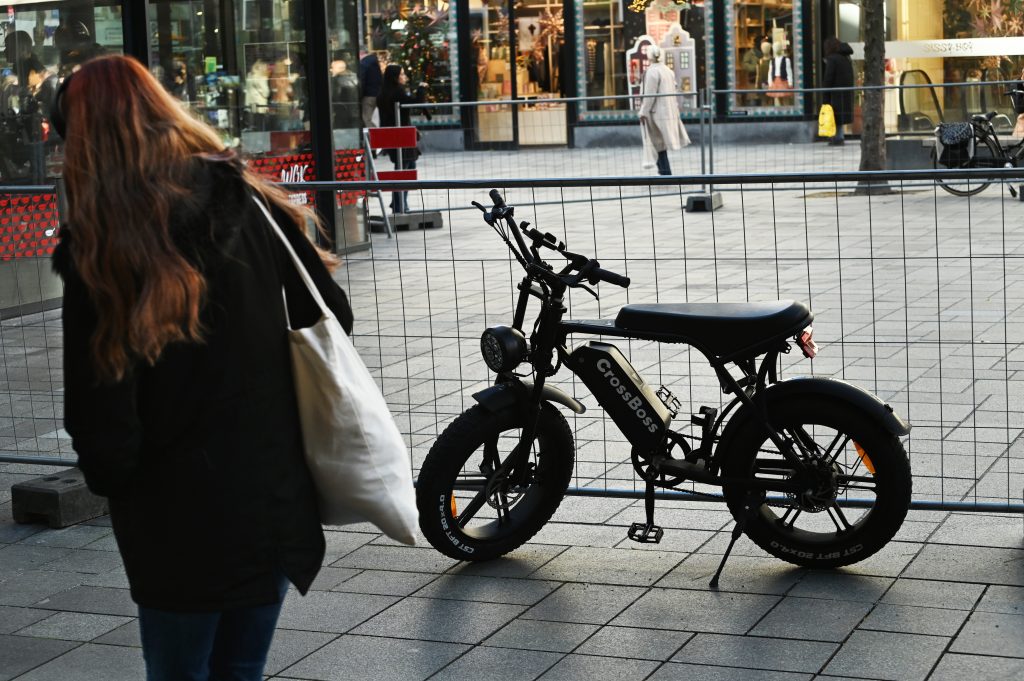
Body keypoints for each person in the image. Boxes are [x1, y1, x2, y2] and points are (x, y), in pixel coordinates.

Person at [51, 54, 352, 681]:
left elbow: (100, 406)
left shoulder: (100, 244)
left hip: (176, 517)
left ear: (86, 139)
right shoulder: (243, 196)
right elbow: (331, 313)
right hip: (270, 495)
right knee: (240, 670)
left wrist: (120, 478)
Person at [378, 63, 427, 213]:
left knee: (405, 169)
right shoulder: (397, 93)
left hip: (395, 136)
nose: (404, 77)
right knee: (404, 171)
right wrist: (421, 89)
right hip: (401, 138)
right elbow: (416, 102)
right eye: (402, 74)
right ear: (395, 77)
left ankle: (398, 203)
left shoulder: (385, 93)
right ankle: (400, 205)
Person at [638, 45, 690, 176]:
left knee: (657, 143)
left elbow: (649, 95)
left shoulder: (652, 72)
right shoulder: (667, 70)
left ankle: (665, 172)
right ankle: (664, 171)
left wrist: (643, 112)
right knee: (659, 143)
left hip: (655, 113)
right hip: (667, 111)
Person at [823, 37, 854, 146]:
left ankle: (837, 138)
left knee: (834, 114)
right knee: (839, 115)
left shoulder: (832, 59)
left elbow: (829, 77)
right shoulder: (846, 57)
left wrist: (825, 91)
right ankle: (839, 137)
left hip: (835, 91)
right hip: (845, 91)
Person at [358, 51, 382, 128]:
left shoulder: (364, 64)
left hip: (368, 96)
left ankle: (372, 137)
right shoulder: (373, 63)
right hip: (377, 94)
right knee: (374, 118)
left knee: (367, 119)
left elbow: (362, 80)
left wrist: (359, 94)